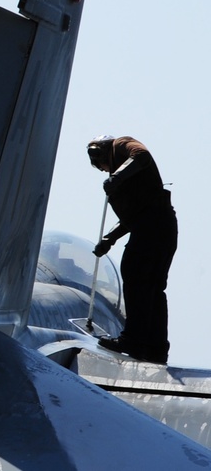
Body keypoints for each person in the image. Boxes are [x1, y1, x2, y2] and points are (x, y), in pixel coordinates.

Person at [87, 135, 177, 363]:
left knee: (136, 278)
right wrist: (109, 239)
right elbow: (134, 215)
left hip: (153, 227)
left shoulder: (123, 144)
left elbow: (142, 156)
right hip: (160, 227)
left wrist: (117, 176)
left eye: (102, 164)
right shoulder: (131, 181)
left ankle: (133, 340)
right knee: (153, 289)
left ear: (102, 152)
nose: (103, 170)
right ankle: (155, 348)